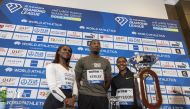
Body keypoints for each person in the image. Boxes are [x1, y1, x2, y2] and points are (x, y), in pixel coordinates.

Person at [75, 39, 112, 109]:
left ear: (100, 47)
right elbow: (77, 79)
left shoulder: (106, 62)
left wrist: (102, 90)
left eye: (98, 44)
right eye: (94, 43)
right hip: (85, 96)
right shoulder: (82, 60)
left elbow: (109, 80)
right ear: (90, 47)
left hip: (101, 96)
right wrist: (83, 90)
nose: (96, 45)